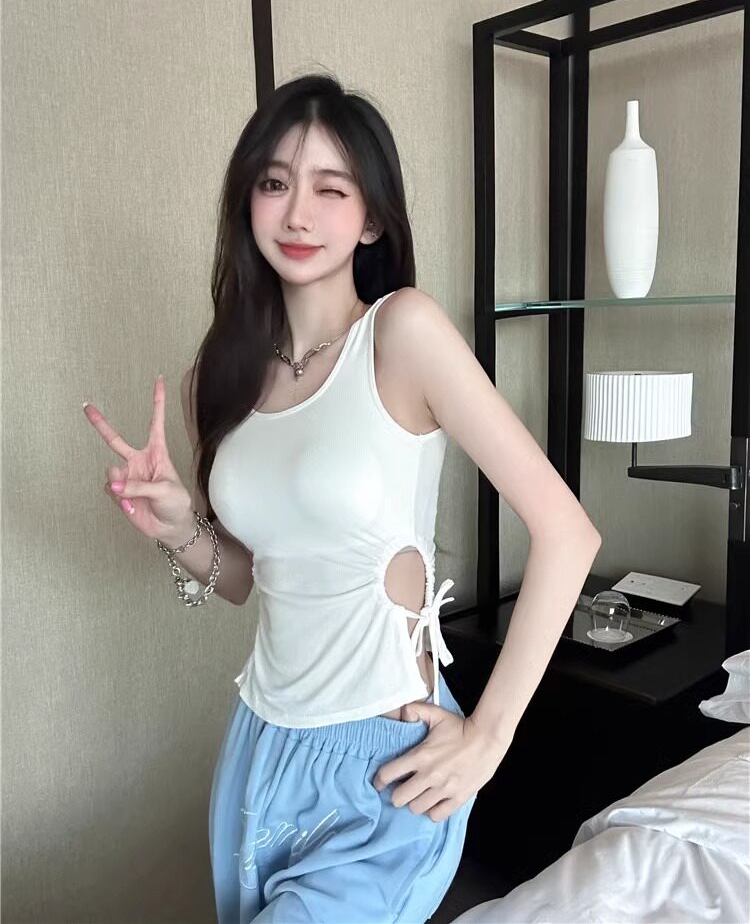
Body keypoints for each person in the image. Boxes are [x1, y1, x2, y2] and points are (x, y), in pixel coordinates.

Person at [83, 72, 602, 923]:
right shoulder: (225, 372)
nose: (298, 214)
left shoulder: (402, 332)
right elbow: (251, 579)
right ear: (247, 201)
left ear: (371, 218)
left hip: (383, 759)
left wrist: (489, 736)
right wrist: (177, 526)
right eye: (275, 183)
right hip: (260, 746)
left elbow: (567, 532)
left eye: (331, 188)